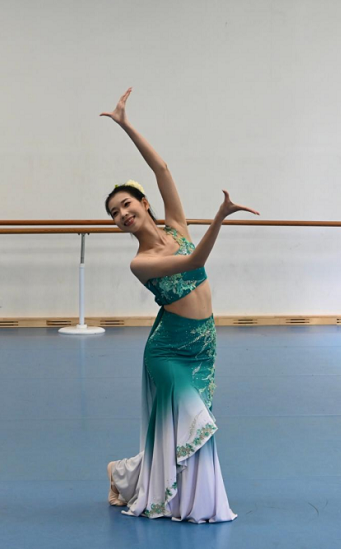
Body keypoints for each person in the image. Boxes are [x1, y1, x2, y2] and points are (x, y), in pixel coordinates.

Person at [101, 88, 258, 523]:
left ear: (143, 203)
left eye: (126, 203)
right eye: (114, 213)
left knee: (184, 429)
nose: (122, 213)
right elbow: (193, 262)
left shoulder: (177, 226)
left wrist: (125, 124)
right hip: (168, 352)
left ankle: (124, 475)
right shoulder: (140, 262)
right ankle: (195, 501)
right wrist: (220, 218)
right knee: (194, 421)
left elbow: (162, 168)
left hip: (203, 345)